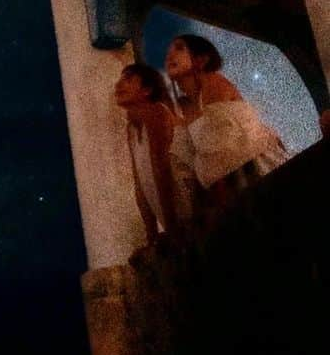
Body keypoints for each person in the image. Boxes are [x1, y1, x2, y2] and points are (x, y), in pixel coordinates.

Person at [164, 33, 289, 221]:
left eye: (180, 48)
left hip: (260, 174)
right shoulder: (185, 105)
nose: (170, 54)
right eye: (170, 49)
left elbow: (220, 153)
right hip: (233, 189)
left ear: (201, 59)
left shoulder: (214, 82)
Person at [114, 63, 190, 251]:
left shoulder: (155, 112)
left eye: (128, 79)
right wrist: (152, 238)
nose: (118, 84)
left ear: (147, 90)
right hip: (174, 221)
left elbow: (162, 170)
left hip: (188, 215)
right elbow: (140, 185)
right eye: (121, 79)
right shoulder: (131, 128)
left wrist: (172, 230)